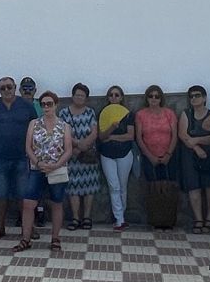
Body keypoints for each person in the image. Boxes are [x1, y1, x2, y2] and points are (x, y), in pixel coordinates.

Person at [0, 77, 39, 241]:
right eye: (3, 88)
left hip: (22, 157)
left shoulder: (27, 106)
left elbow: (34, 129)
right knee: (1, 193)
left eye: (9, 87)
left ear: (15, 87)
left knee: (24, 194)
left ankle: (28, 228)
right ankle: (0, 227)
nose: (7, 90)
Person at [19, 90, 72, 252]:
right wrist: (38, 162)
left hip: (57, 169)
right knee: (28, 203)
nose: (46, 107)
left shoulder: (64, 126)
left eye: (49, 104)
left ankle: (55, 238)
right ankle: (25, 239)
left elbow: (68, 150)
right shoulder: (34, 124)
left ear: (56, 105)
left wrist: (56, 165)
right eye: (43, 104)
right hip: (37, 168)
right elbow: (28, 147)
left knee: (56, 203)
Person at [134, 84, 180, 229]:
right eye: (151, 96)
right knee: (153, 187)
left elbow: (174, 135)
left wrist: (168, 154)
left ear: (161, 98)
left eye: (157, 96)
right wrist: (150, 156)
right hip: (149, 156)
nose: (154, 99)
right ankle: (155, 219)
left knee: (168, 187)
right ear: (147, 98)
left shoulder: (169, 113)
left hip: (168, 155)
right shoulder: (141, 114)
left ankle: (168, 219)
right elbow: (139, 137)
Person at [177, 86, 210, 232]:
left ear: (204, 97)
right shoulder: (186, 114)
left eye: (197, 95)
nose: (194, 98)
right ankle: (198, 219)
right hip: (190, 154)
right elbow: (183, 135)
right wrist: (197, 147)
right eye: (191, 96)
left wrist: (196, 140)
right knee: (193, 186)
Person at [61, 84, 102, 229]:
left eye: (82, 95)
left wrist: (85, 145)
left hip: (88, 155)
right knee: (73, 187)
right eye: (77, 95)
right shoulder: (64, 113)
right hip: (72, 155)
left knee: (89, 186)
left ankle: (87, 217)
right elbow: (63, 132)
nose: (79, 97)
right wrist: (77, 145)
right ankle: (75, 218)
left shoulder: (90, 112)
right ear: (72, 96)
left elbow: (94, 132)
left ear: (86, 98)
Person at [95, 85, 136, 229]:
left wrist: (112, 137)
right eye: (111, 95)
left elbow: (130, 136)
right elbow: (101, 137)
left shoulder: (128, 114)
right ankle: (119, 219)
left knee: (122, 186)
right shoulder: (102, 113)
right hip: (107, 155)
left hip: (125, 153)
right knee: (114, 186)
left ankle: (121, 215)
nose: (113, 97)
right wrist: (112, 127)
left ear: (121, 97)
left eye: (116, 95)